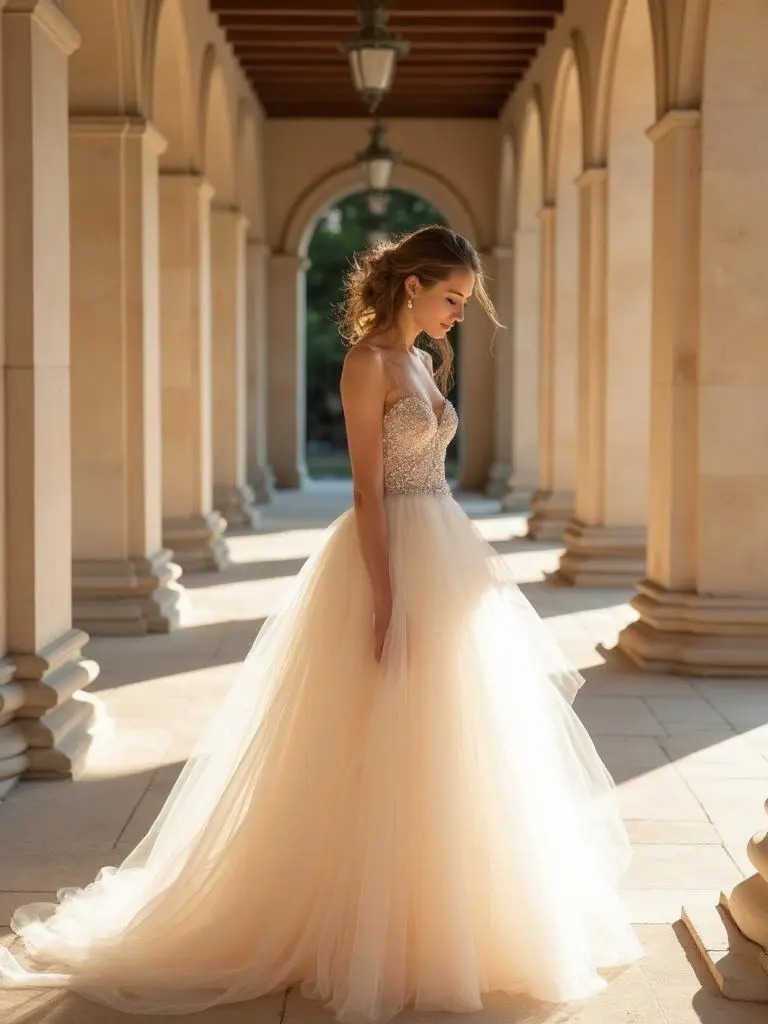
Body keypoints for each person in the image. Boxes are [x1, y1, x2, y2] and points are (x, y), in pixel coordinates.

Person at [0, 225, 642, 1021]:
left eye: (464, 304)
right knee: (375, 732)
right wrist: (386, 600)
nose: (457, 316)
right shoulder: (368, 363)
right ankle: (357, 920)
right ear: (413, 286)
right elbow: (369, 492)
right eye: (450, 298)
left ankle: (444, 913)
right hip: (395, 555)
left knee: (453, 734)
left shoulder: (426, 360)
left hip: (447, 550)